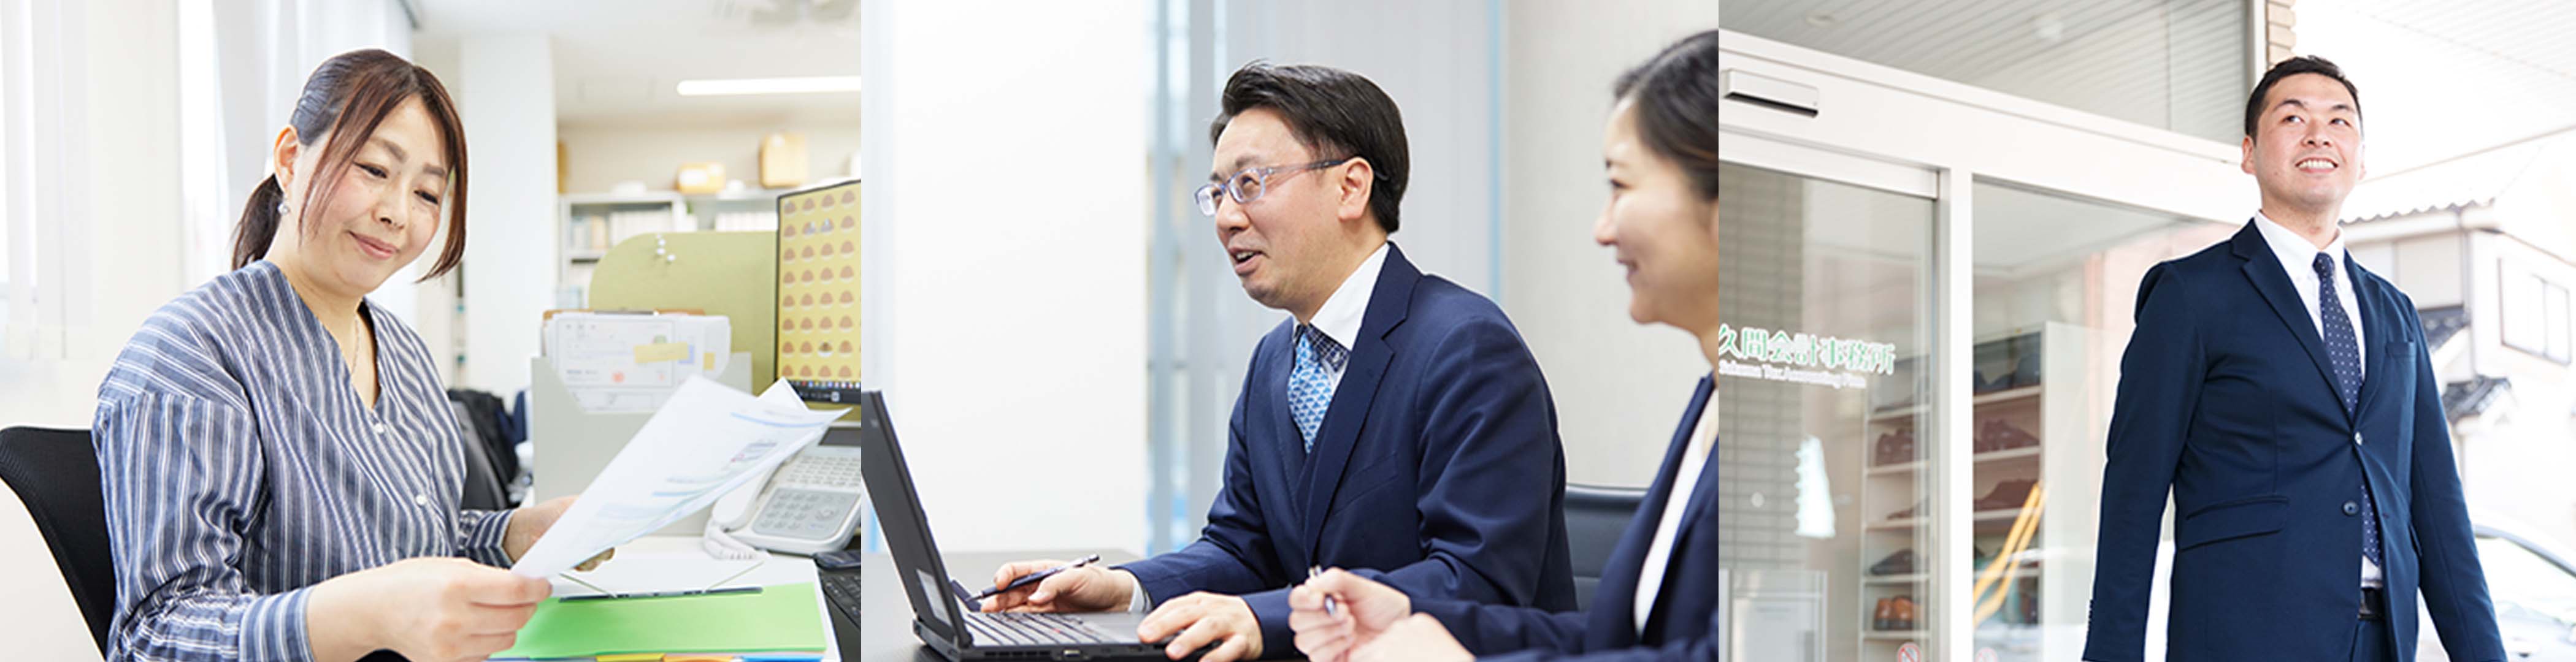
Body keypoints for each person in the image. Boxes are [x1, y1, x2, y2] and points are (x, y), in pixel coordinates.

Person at [978, 62, 1577, 662]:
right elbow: (1243, 549)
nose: (1227, 218)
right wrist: (1125, 589)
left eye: (1250, 183)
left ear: (1351, 188)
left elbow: (1474, 582)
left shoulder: (1466, 348)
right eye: (1218, 193)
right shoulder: (1275, 360)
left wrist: (1267, 619)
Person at [94, 49, 604, 662]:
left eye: (427, 193)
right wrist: (366, 615)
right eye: (373, 169)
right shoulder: (192, 352)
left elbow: (416, 544)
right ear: (290, 159)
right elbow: (158, 636)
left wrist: (516, 533)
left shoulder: (404, 352)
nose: (396, 213)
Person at [1285, 29, 1720, 662]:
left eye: (1622, 186)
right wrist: (1408, 613)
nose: (1602, 229)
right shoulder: (1715, 400)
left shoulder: (1464, 344)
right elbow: (1608, 640)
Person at [2080, 56, 2503, 661]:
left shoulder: (2396, 312)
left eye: (2340, 121)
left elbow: (2439, 510)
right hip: (2244, 638)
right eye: (2293, 118)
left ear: (2361, 159)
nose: (2319, 135)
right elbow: (2134, 494)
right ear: (2249, 154)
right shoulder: (2190, 295)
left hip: (2383, 640)